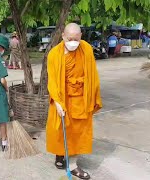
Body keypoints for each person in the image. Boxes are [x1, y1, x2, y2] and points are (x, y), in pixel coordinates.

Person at [46, 23, 102, 179]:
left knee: (78, 133)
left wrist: (92, 97)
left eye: (76, 39)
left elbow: (92, 75)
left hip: (80, 99)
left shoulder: (86, 49)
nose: (73, 42)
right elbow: (52, 81)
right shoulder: (54, 54)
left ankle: (73, 166)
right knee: (59, 130)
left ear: (80, 37)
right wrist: (57, 102)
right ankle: (60, 155)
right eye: (69, 38)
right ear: (63, 36)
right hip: (61, 97)